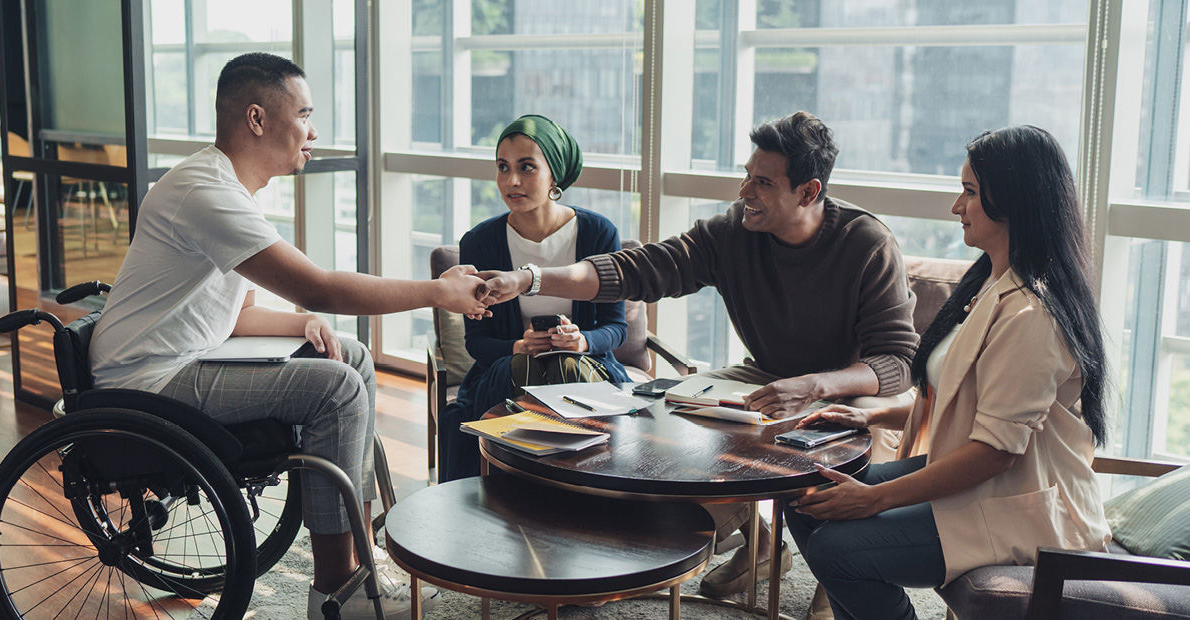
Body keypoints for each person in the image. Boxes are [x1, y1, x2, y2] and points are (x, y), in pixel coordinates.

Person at [89, 53, 488, 620]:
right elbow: (322, 288)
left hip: (178, 358)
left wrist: (300, 324)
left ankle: (359, 549)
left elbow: (233, 315)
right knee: (337, 391)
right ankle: (336, 589)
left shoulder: (226, 186)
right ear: (257, 119)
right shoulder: (206, 193)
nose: (314, 131)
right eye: (304, 113)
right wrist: (437, 293)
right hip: (146, 381)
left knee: (349, 355)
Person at [479, 111, 920, 598]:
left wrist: (816, 386)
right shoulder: (733, 232)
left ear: (809, 192)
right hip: (765, 373)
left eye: (763, 183)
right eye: (746, 176)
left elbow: (897, 363)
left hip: (849, 385)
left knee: (832, 456)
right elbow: (639, 270)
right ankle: (734, 541)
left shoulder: (866, 243)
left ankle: (833, 584)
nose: (744, 192)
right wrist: (531, 278)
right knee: (669, 408)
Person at [784, 125, 1111, 620]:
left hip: (1023, 508)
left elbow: (995, 454)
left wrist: (875, 500)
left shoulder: (1033, 315)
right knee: (807, 495)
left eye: (970, 192)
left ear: (1014, 200)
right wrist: (870, 419)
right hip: (986, 481)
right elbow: (957, 397)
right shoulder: (991, 287)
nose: (957, 207)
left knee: (837, 550)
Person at [438, 114, 630, 482]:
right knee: (527, 370)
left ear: (554, 174)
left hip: (588, 367)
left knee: (563, 368)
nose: (511, 181)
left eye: (527, 167)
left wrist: (583, 341)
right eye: (503, 167)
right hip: (506, 372)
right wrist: (517, 347)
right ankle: (561, 493)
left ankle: (541, 494)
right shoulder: (479, 242)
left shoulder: (598, 233)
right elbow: (477, 343)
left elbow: (616, 328)